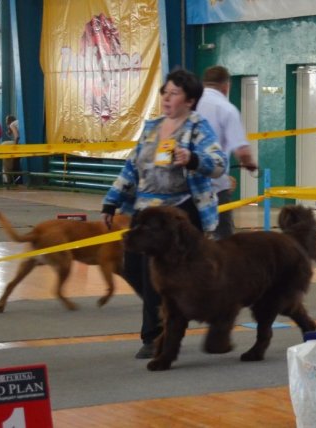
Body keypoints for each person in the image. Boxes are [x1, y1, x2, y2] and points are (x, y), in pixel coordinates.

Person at [101, 68, 226, 359]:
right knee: (132, 268)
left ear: (190, 100)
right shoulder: (152, 127)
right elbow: (131, 167)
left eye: (174, 93)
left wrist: (193, 158)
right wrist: (111, 201)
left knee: (151, 271)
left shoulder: (197, 127)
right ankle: (174, 309)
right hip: (145, 210)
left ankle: (154, 336)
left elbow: (219, 163)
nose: (167, 98)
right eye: (164, 92)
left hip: (179, 211)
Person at [196, 65, 258, 239]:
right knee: (223, 241)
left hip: (188, 186)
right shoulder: (227, 109)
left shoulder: (190, 103)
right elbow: (241, 150)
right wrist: (250, 165)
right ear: (226, 86)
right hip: (216, 186)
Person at [0, 115, 20, 185]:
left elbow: (17, 137)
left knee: (4, 145)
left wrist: (15, 146)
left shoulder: (12, 124)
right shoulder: (18, 121)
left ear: (8, 122)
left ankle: (8, 179)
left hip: (19, 145)